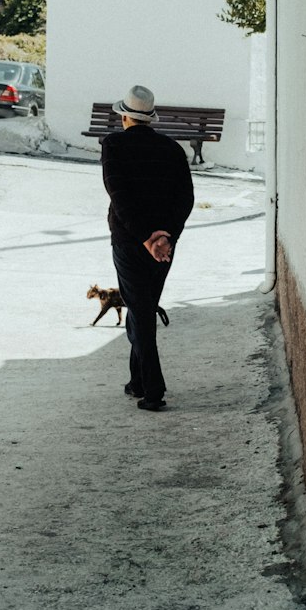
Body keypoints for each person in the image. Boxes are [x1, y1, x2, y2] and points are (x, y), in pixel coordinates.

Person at [102, 85, 194, 413]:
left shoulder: (113, 145)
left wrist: (144, 238)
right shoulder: (172, 149)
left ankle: (153, 390)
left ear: (125, 116)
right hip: (164, 247)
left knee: (140, 312)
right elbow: (185, 199)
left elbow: (120, 195)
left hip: (129, 243)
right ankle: (137, 380)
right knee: (141, 306)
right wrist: (165, 237)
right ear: (150, 117)